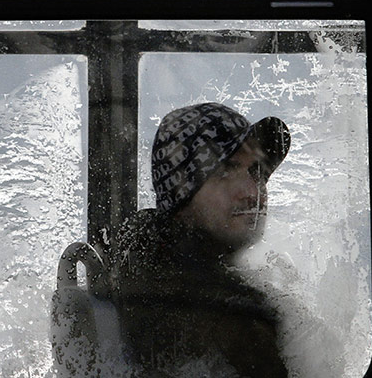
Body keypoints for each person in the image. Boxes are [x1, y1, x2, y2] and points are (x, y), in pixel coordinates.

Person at [111, 102, 291, 377]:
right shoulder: (227, 315)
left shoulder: (144, 258)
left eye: (255, 171)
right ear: (181, 196)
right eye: (224, 172)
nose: (253, 191)